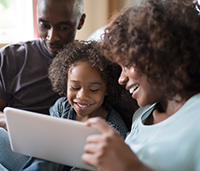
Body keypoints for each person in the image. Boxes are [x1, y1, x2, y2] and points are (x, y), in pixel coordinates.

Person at [81, 0, 200, 171]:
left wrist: (131, 167)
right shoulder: (141, 116)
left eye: (128, 64)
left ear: (160, 54)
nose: (121, 79)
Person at [0, 0, 85, 170]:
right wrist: (6, 120)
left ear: (80, 22)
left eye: (63, 27)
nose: (52, 37)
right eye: (44, 25)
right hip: (19, 148)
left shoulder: (90, 65)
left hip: (65, 156)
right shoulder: (11, 57)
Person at [20, 40, 129, 171]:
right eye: (74, 87)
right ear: (65, 83)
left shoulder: (113, 130)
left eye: (93, 89)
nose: (82, 96)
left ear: (107, 89)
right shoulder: (62, 107)